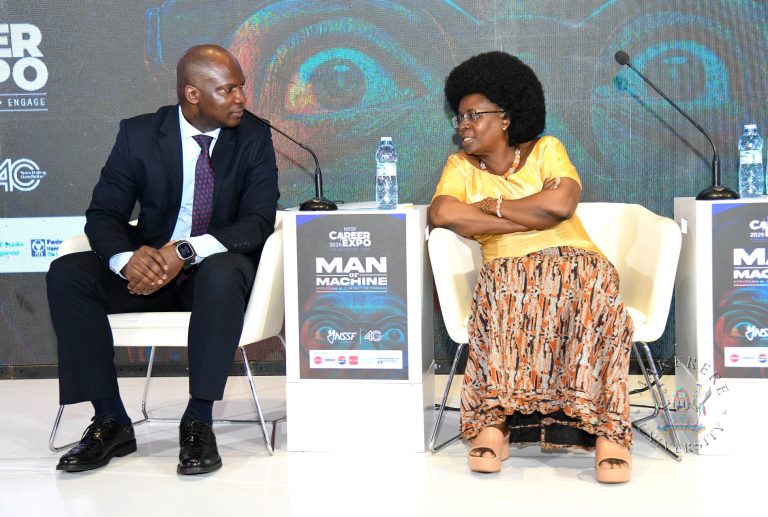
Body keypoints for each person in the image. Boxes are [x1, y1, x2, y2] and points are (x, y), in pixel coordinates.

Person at [46, 44, 279, 475]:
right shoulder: (139, 135)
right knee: (68, 273)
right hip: (149, 271)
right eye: (227, 90)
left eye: (241, 88)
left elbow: (258, 221)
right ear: (193, 94)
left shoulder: (253, 135)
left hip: (212, 273)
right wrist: (126, 260)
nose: (241, 98)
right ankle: (111, 420)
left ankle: (198, 421)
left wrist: (185, 251)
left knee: (224, 271)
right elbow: (104, 214)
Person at [428, 51, 633, 484]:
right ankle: (495, 424)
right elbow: (443, 213)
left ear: (505, 118)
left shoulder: (545, 149)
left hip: (575, 257)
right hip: (505, 265)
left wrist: (497, 207)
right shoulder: (460, 167)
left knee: (591, 283)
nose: (463, 125)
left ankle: (607, 432)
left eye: (473, 115)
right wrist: (529, 215)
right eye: (459, 117)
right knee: (507, 286)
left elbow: (561, 204)